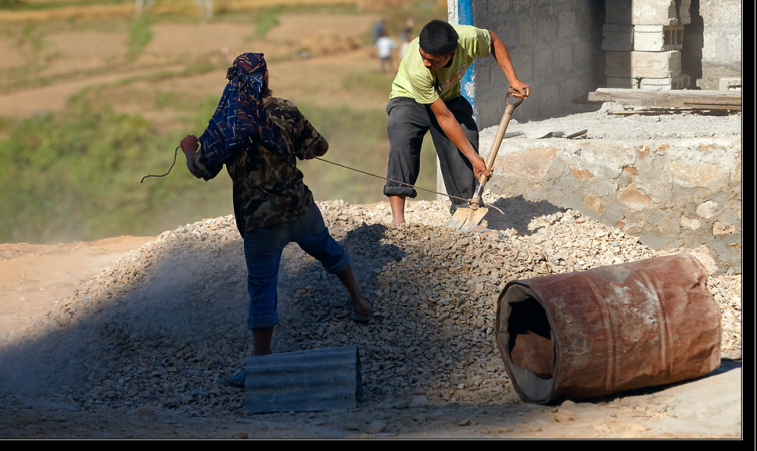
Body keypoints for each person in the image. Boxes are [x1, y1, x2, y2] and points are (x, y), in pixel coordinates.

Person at [180, 52, 372, 387]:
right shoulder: (285, 109)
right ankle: (359, 301)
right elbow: (320, 147)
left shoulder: (226, 122)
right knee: (328, 250)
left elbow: (200, 170)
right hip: (298, 207)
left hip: (258, 222)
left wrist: (187, 150)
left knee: (263, 287)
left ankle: (261, 365)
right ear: (265, 77)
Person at [383, 19, 531, 225]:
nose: (427, 62)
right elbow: (443, 117)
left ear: (451, 55)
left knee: (465, 137)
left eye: (433, 60)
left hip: (448, 98)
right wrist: (474, 158)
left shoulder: (469, 38)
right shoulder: (418, 68)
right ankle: (398, 220)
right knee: (402, 138)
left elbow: (493, 41)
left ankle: (465, 210)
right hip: (409, 98)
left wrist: (513, 79)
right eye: (424, 56)